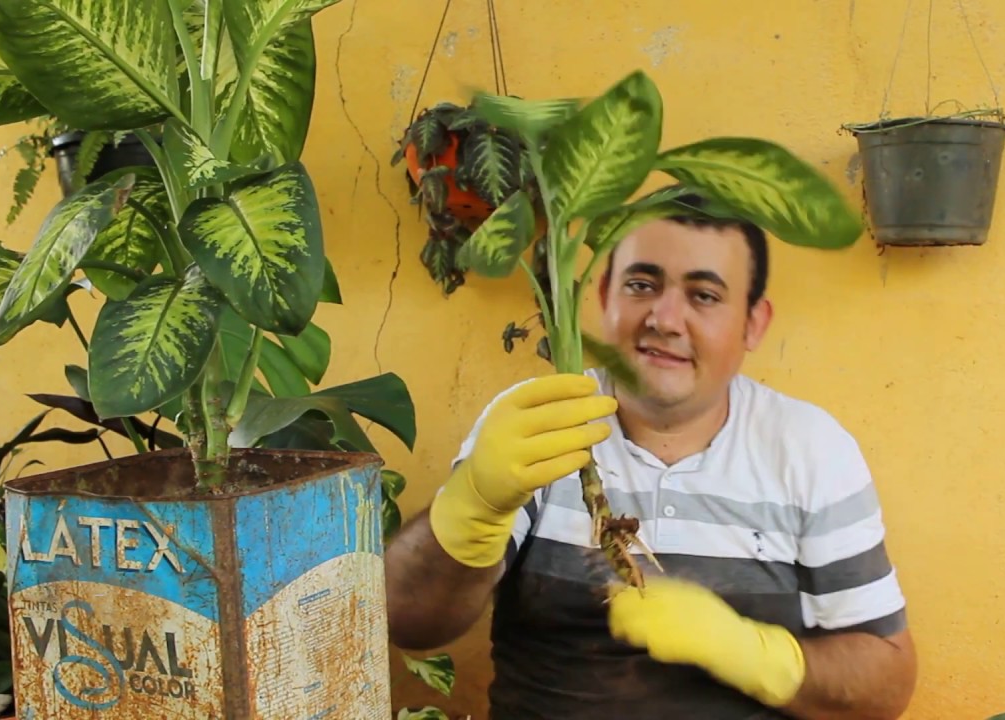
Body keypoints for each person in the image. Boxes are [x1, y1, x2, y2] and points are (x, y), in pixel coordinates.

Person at [383, 195, 918, 719]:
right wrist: (472, 506)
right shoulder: (540, 419)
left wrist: (752, 653)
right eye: (641, 285)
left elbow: (885, 684)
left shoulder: (810, 448)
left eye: (704, 295)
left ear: (754, 324)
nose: (664, 319)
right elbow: (409, 623)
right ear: (603, 296)